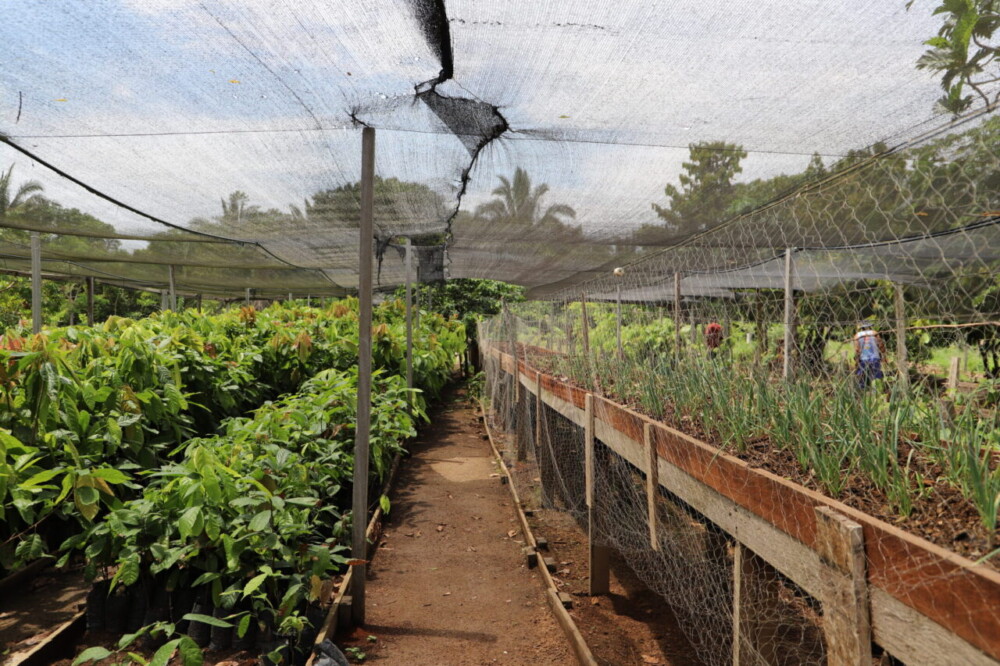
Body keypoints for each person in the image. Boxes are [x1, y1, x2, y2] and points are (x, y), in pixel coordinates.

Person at [854, 322, 886, 389]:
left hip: (863, 358)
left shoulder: (857, 335)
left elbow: (857, 349)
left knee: (862, 375)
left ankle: (862, 390)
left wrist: (856, 360)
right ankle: (877, 390)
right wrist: (883, 355)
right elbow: (881, 345)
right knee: (876, 374)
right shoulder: (875, 333)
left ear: (862, 328)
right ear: (870, 327)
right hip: (875, 357)